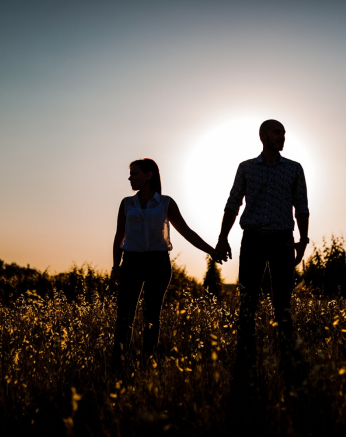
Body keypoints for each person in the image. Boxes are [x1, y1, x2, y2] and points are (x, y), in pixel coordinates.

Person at [214, 119, 310, 396]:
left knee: (283, 301)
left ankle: (288, 359)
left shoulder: (294, 168)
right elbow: (233, 204)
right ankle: (246, 359)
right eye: (277, 132)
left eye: (284, 133)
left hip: (282, 239)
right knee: (248, 300)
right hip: (253, 238)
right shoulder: (246, 168)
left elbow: (301, 206)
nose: (282, 137)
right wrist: (222, 238)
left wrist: (302, 240)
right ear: (263, 135)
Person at [111, 158, 218, 372]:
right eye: (130, 174)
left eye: (135, 173)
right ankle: (118, 367)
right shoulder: (126, 203)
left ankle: (147, 366)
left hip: (158, 263)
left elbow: (186, 231)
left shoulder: (166, 203)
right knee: (124, 316)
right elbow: (119, 237)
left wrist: (212, 251)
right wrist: (116, 266)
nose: (130, 178)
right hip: (131, 262)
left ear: (149, 175)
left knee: (152, 316)